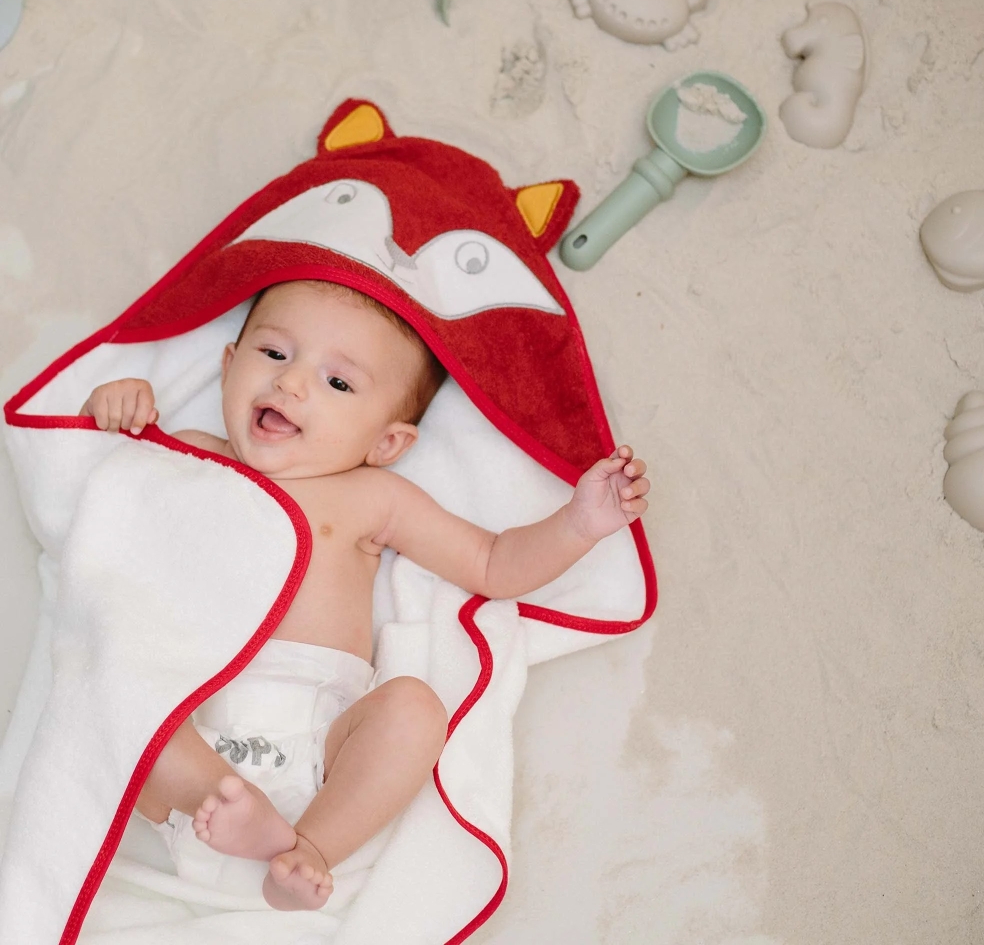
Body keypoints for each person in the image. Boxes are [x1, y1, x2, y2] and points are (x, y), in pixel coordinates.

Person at [80, 278, 651, 911]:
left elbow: (492, 563)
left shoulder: (373, 498)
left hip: (322, 742)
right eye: (273, 355)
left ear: (387, 444)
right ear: (226, 368)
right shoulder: (187, 455)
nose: (291, 384)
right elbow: (106, 508)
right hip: (191, 709)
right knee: (118, 692)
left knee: (413, 708)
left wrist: (577, 524)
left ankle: (310, 851)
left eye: (338, 383)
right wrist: (117, 412)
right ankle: (221, 799)